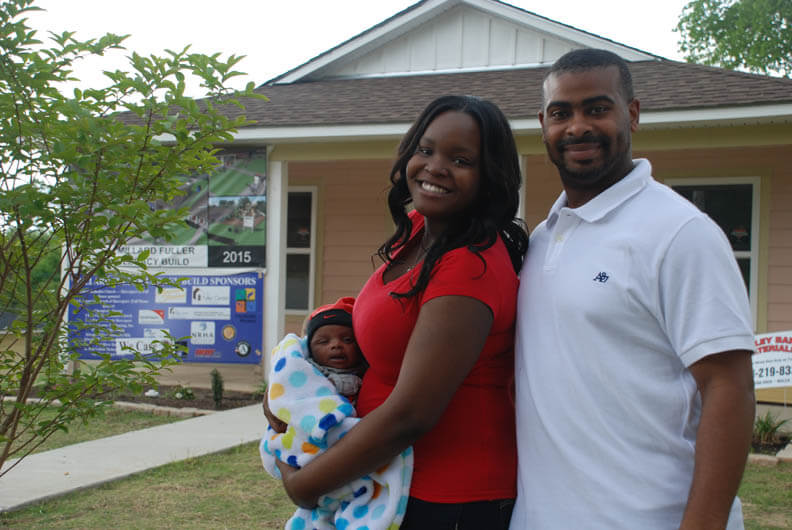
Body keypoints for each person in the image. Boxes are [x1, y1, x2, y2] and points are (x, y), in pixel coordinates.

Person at [511, 48, 756, 530]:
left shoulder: (679, 232)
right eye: (561, 113)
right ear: (543, 124)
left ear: (633, 114)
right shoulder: (543, 238)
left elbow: (730, 387)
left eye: (597, 109)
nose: (577, 126)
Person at [266, 94, 529, 529]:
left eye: (460, 159)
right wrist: (291, 384)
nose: (435, 167)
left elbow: (411, 415)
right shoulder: (425, 232)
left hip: (448, 499)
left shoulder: (470, 265)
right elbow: (373, 318)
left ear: (489, 177)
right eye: (425, 150)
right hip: (394, 483)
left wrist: (305, 486)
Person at [260, 297, 412, 530]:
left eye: (347, 339)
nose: (336, 345)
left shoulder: (365, 372)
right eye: (323, 340)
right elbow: (290, 395)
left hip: (354, 456)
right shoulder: (311, 373)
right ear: (310, 349)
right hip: (314, 449)